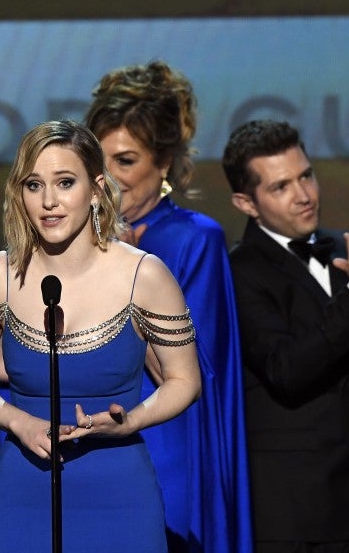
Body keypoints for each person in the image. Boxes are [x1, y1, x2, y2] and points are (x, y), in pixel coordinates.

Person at [0, 120, 201, 552]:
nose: (49, 201)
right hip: (22, 494)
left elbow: (185, 380)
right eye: (34, 185)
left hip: (119, 497)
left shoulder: (144, 275)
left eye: (65, 183)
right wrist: (19, 421)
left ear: (96, 189)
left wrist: (132, 421)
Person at [222, 119, 349, 552]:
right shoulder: (238, 272)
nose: (304, 195)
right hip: (296, 515)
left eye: (306, 176)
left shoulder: (341, 247)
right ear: (246, 202)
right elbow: (287, 370)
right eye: (281, 187)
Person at [84, 60, 252, 552]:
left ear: (163, 164)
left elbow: (188, 376)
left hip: (161, 451)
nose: (108, 178)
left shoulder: (194, 240)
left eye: (126, 161)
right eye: (99, 161)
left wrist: (125, 274)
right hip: (84, 446)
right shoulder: (68, 242)